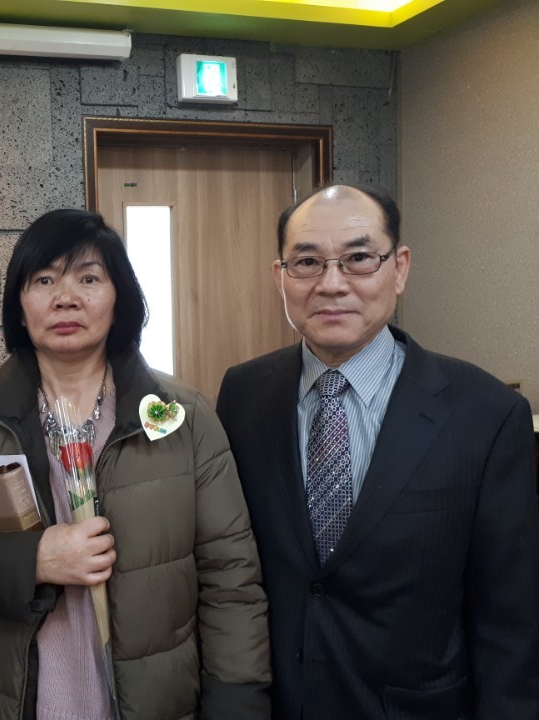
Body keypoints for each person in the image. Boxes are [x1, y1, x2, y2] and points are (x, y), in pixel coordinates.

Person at [0, 208, 271, 720]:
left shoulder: (180, 415)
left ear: (119, 300)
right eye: (44, 280)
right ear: (19, 306)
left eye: (89, 278)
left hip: (154, 703)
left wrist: (237, 704)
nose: (65, 297)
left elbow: (231, 576)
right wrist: (33, 561)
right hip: (11, 703)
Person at [216, 184, 539, 719]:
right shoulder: (242, 394)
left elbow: (511, 620)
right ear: (280, 276)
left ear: (400, 268)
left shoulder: (486, 413)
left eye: (359, 258)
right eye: (307, 262)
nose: (332, 284)